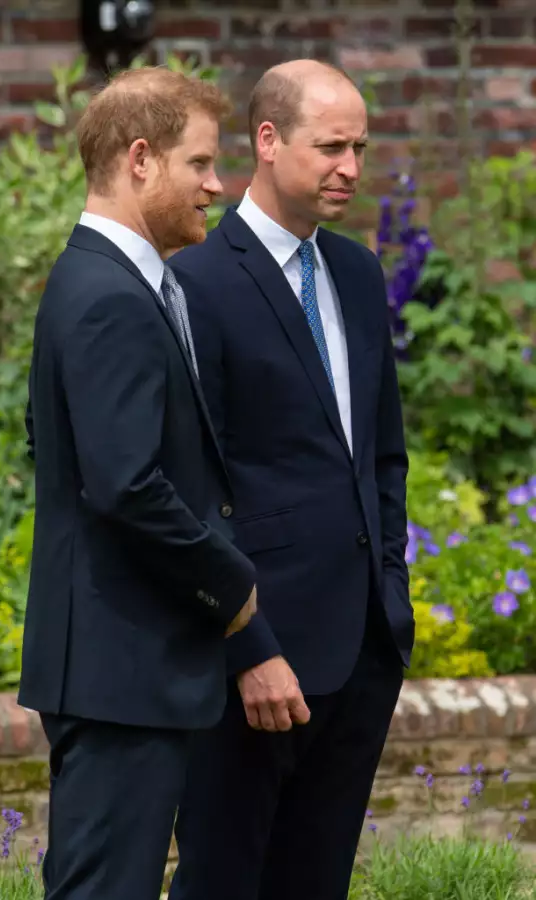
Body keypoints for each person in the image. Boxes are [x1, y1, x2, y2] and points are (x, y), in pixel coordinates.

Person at [168, 59, 415, 900]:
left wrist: (393, 598)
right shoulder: (196, 280)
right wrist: (247, 645)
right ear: (267, 142)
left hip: (361, 653)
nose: (352, 166)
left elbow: (382, 455)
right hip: (255, 663)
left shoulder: (356, 272)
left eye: (360, 147)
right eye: (332, 146)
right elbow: (194, 486)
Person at [18, 66, 258, 900]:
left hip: (126, 663)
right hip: (119, 670)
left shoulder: (110, 281)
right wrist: (228, 582)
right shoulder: (107, 296)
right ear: (142, 160)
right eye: (201, 164)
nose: (218, 186)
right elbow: (123, 484)